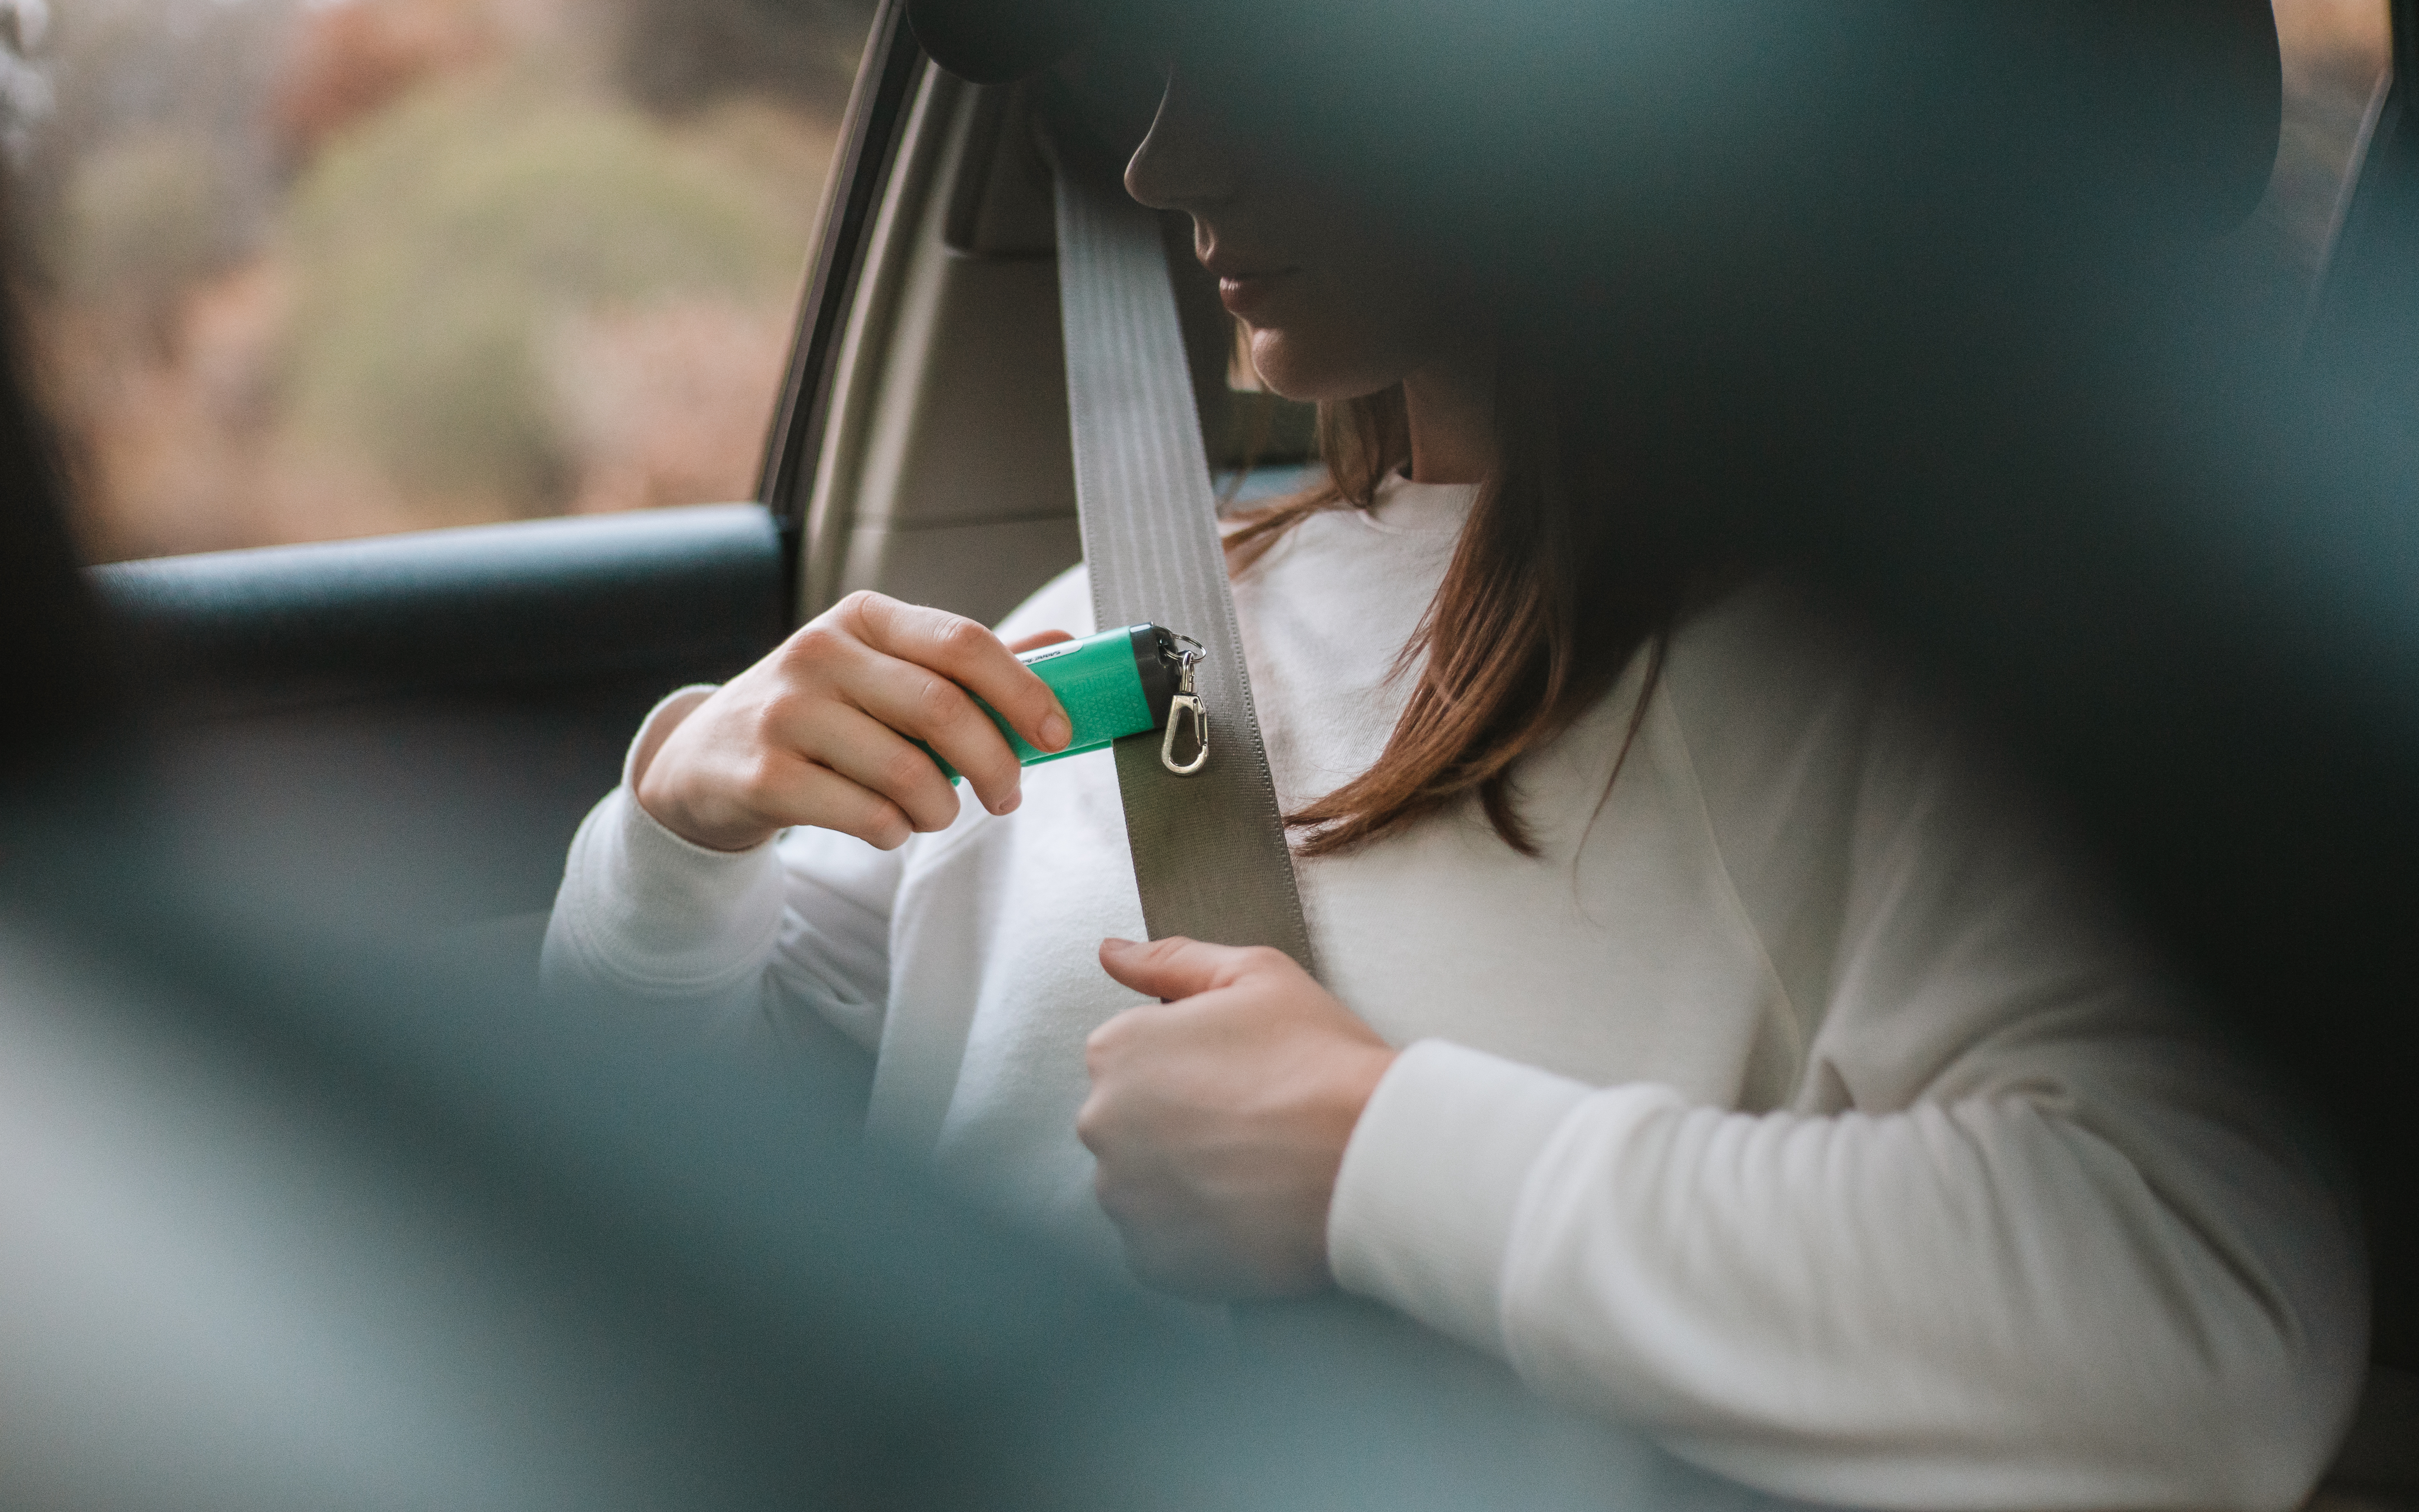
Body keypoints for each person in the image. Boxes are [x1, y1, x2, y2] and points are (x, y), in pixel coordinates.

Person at [543, 5, 2369, 1505]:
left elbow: (2191, 1305)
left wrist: (1368, 1150)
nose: (1166, 159)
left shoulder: (1925, 699)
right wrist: (676, 840)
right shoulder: (1098, 628)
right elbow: (625, 1205)